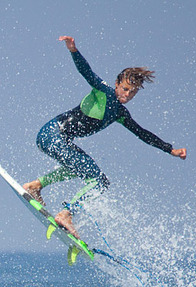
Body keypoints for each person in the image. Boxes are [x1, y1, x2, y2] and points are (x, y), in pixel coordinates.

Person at [23, 36, 187, 239]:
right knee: (99, 181)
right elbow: (86, 72)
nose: (127, 95)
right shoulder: (104, 91)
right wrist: (73, 50)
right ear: (117, 83)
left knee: (79, 170)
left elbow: (143, 133)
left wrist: (170, 149)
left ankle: (35, 186)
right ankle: (66, 214)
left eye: (133, 93)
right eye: (125, 89)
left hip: (56, 139)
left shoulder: (120, 113)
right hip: (52, 134)